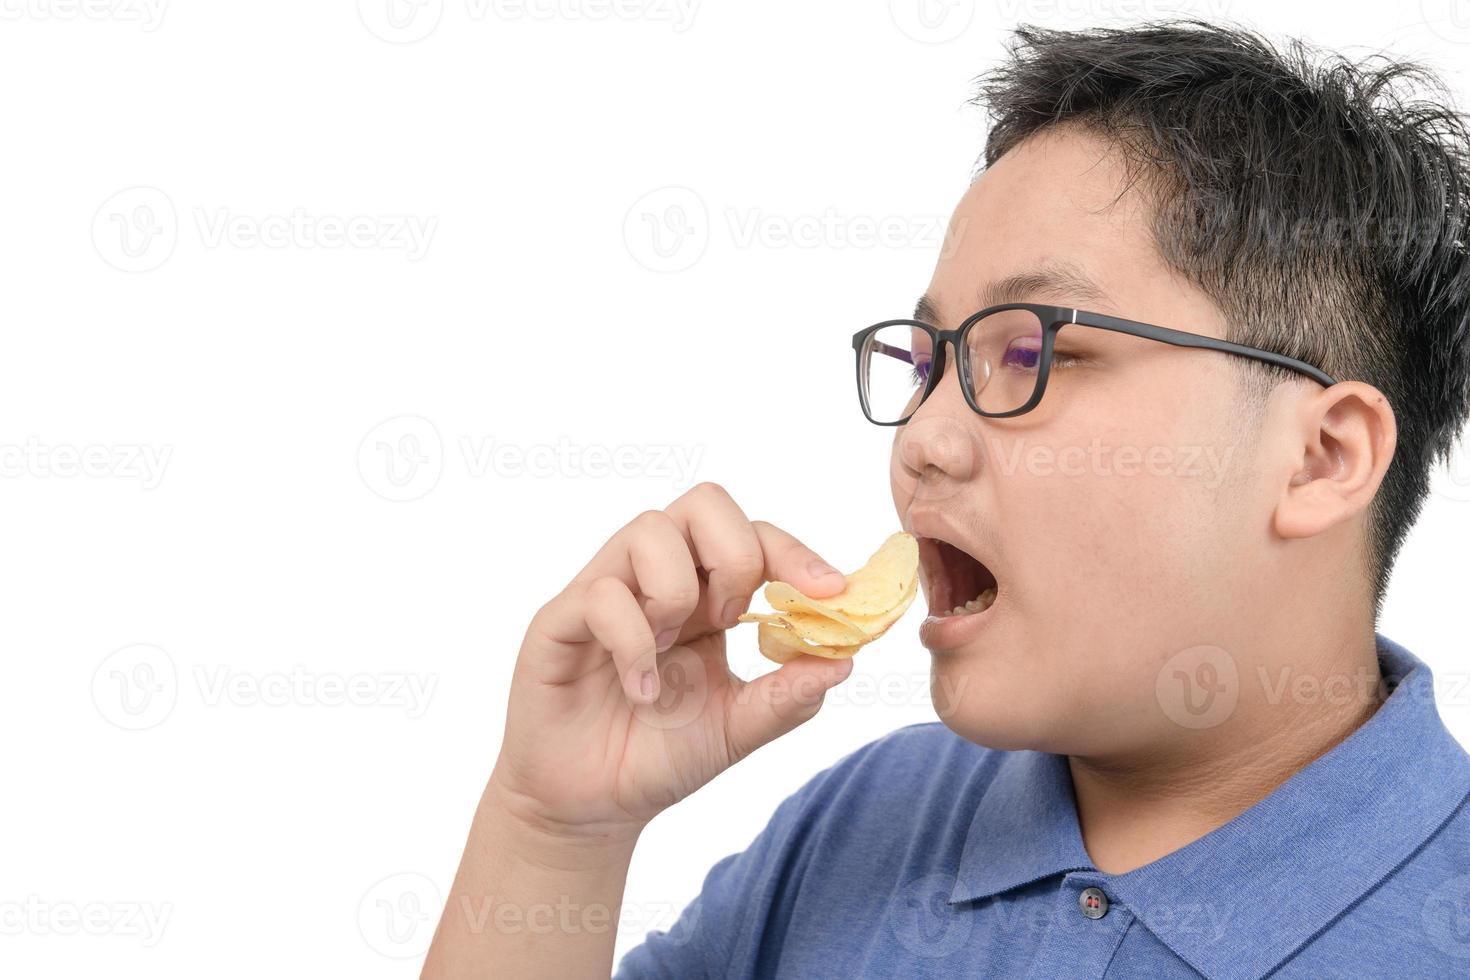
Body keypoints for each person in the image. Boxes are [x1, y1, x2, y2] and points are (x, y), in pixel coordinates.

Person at [421, 19, 1470, 978]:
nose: (921, 438)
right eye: (926, 361)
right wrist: (556, 831)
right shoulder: (867, 823)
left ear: (1323, 458)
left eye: (1031, 350)